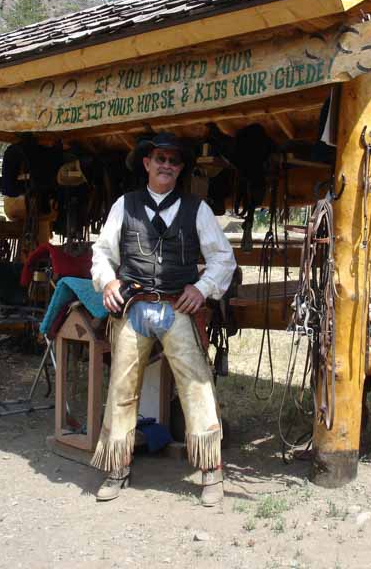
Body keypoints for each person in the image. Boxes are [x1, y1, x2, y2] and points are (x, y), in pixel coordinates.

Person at [90, 132, 236, 506]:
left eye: (173, 160)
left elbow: (223, 258)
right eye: (160, 159)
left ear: (180, 167)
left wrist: (202, 289)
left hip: (176, 308)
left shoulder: (197, 209)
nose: (166, 165)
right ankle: (117, 468)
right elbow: (103, 252)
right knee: (121, 390)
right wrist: (107, 282)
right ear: (146, 163)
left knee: (197, 385)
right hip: (134, 308)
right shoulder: (125, 205)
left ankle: (211, 472)